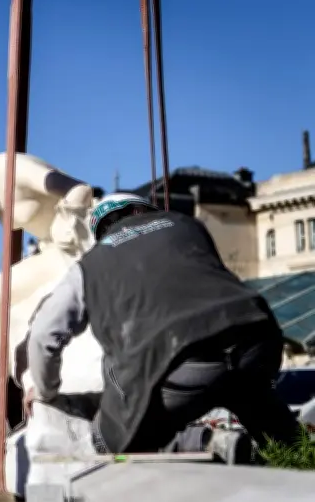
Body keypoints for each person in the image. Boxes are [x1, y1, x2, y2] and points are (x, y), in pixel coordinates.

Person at [26, 193, 302, 464]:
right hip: (257, 336)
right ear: (145, 212)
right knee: (259, 407)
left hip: (179, 360)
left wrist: (45, 391)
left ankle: (204, 442)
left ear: (100, 232)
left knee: (112, 440)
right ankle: (299, 456)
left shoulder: (89, 266)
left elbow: (43, 335)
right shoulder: (188, 226)